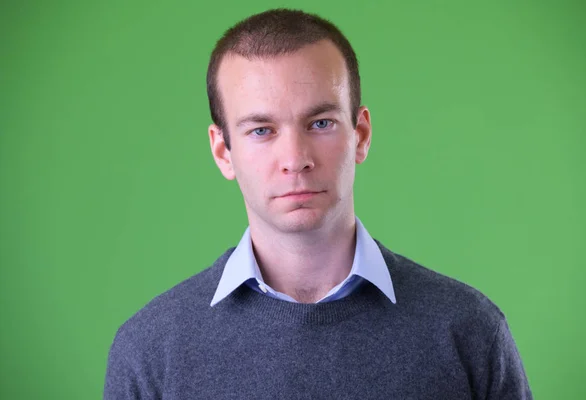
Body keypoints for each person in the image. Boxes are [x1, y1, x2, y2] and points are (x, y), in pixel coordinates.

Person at [104, 8, 533, 399]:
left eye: (320, 122)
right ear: (223, 152)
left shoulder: (470, 331)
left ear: (360, 134)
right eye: (261, 130)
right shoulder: (148, 353)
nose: (295, 159)